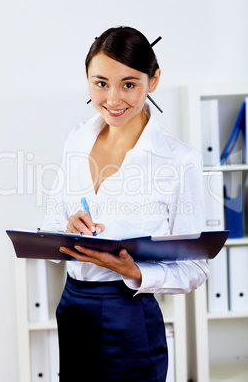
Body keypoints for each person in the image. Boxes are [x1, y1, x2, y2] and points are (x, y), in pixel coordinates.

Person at [42, 26, 209, 382]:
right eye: (100, 83)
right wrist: (67, 226)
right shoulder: (76, 139)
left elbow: (197, 268)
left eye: (129, 84)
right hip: (73, 307)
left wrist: (134, 272)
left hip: (128, 314)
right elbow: (51, 220)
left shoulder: (179, 160)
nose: (113, 98)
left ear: (154, 79)